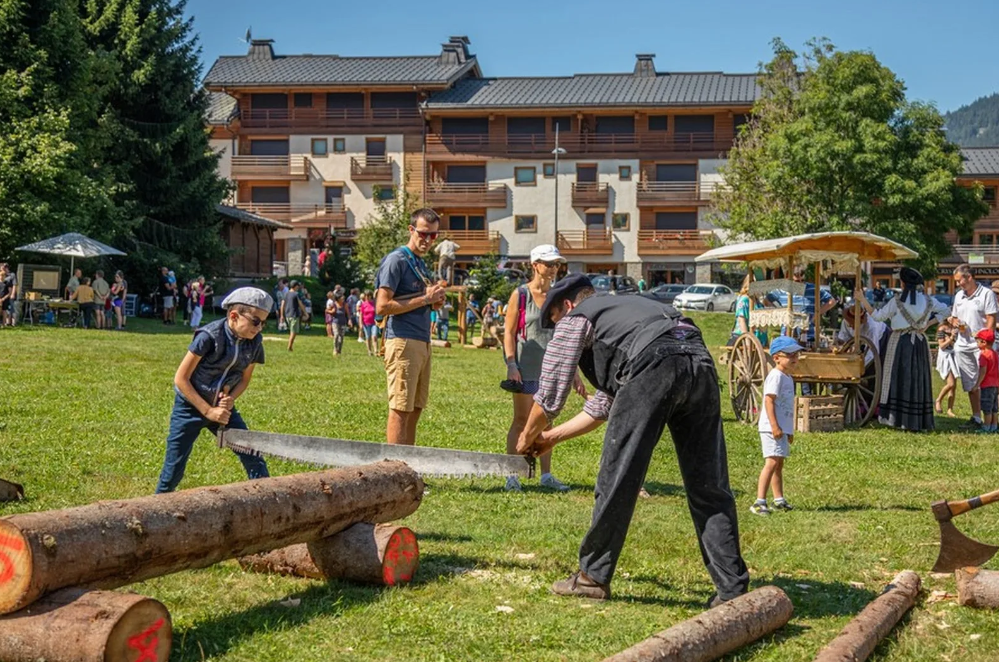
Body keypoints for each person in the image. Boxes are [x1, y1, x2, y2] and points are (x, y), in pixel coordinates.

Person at [516, 274, 749, 605]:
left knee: (617, 478)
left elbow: (552, 390)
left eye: (554, 320)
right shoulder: (633, 309)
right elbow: (608, 401)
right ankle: (732, 590)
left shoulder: (577, 317)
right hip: (698, 362)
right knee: (709, 485)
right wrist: (552, 437)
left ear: (566, 306)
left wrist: (527, 436)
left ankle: (592, 577)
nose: (556, 329)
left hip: (655, 365)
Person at [155, 287, 273, 493]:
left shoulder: (255, 343)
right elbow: (181, 379)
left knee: (252, 454)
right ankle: (156, 508)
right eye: (256, 321)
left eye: (264, 322)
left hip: (221, 409)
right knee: (173, 469)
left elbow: (244, 380)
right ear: (234, 316)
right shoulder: (209, 337)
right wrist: (208, 411)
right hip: (190, 407)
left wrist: (230, 399)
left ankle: (267, 501)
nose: (260, 328)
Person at [502, 244, 574, 493]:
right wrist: (511, 363)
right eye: (549, 263)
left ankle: (546, 475)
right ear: (535, 265)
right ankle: (513, 475)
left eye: (556, 264)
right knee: (521, 420)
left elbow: (566, 336)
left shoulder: (559, 297)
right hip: (526, 367)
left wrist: (572, 370)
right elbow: (509, 333)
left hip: (553, 368)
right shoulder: (520, 295)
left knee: (547, 421)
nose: (553, 268)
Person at [374, 208, 447, 446]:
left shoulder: (420, 263)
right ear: (411, 229)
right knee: (400, 408)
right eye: (424, 234)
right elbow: (382, 306)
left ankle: (408, 469)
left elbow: (417, 300)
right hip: (402, 340)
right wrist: (425, 299)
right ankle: (393, 472)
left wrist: (434, 302)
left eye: (433, 236)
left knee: (415, 408)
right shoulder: (397, 260)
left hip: (421, 341)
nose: (427, 240)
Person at [855, 267, 949, 431]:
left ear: (903, 283)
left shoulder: (897, 301)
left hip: (900, 341)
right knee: (917, 378)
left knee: (898, 377)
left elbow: (878, 316)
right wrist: (928, 324)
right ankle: (918, 420)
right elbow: (947, 311)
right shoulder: (928, 300)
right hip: (919, 342)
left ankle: (898, 418)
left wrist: (862, 299)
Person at [751, 336, 802, 516]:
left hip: (781, 428)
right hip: (771, 427)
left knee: (778, 464)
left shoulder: (788, 378)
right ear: (776, 358)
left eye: (796, 354)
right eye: (790, 355)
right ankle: (759, 501)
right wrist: (774, 426)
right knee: (771, 463)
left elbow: (787, 406)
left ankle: (778, 499)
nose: (795, 358)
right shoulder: (775, 376)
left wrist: (789, 430)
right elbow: (769, 401)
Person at [950, 264, 998, 427]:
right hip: (963, 345)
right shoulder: (958, 296)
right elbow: (955, 317)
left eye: (959, 281)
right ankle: (977, 417)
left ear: (969, 277)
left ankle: (990, 420)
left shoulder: (987, 294)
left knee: (987, 383)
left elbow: (991, 319)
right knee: (971, 384)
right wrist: (955, 322)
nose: (957, 284)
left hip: (981, 346)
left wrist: (987, 344)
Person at [728, 273, 769, 347]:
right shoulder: (744, 300)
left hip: (758, 339)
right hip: (745, 338)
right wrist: (747, 340)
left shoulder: (758, 301)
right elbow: (741, 320)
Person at [935, 319, 959, 417]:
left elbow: (955, 344)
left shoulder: (956, 329)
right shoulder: (942, 329)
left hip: (954, 356)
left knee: (954, 386)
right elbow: (942, 346)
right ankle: (938, 400)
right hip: (946, 358)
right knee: (951, 384)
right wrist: (951, 337)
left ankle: (950, 409)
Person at [976, 329, 999, 433]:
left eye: (978, 341)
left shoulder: (984, 355)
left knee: (987, 408)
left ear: (984, 342)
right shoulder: (995, 354)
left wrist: (977, 384)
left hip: (986, 385)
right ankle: (994, 426)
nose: (977, 343)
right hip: (995, 384)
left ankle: (986, 427)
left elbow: (983, 371)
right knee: (994, 407)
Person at [280, 280, 307, 351]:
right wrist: (306, 313)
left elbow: (282, 305)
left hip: (287, 315)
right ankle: (289, 346)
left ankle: (290, 346)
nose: (298, 287)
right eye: (298, 285)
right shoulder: (296, 294)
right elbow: (300, 304)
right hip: (294, 315)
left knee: (292, 331)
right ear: (295, 286)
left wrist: (282, 315)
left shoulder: (286, 294)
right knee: (293, 332)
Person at [359, 290, 378, 356]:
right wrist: (361, 323)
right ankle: (369, 351)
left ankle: (376, 350)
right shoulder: (363, 304)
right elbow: (361, 314)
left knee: (374, 336)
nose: (366, 297)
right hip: (366, 323)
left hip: (374, 323)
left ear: (370, 296)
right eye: (365, 295)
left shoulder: (374, 303)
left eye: (368, 296)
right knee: (368, 337)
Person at [330, 292, 349, 356]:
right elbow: (327, 310)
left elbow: (348, 313)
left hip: (343, 322)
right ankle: (335, 349)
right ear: (338, 299)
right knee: (336, 334)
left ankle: (339, 350)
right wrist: (331, 312)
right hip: (335, 322)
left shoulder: (345, 304)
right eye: (342, 298)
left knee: (341, 337)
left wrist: (349, 320)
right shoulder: (334, 304)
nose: (343, 299)